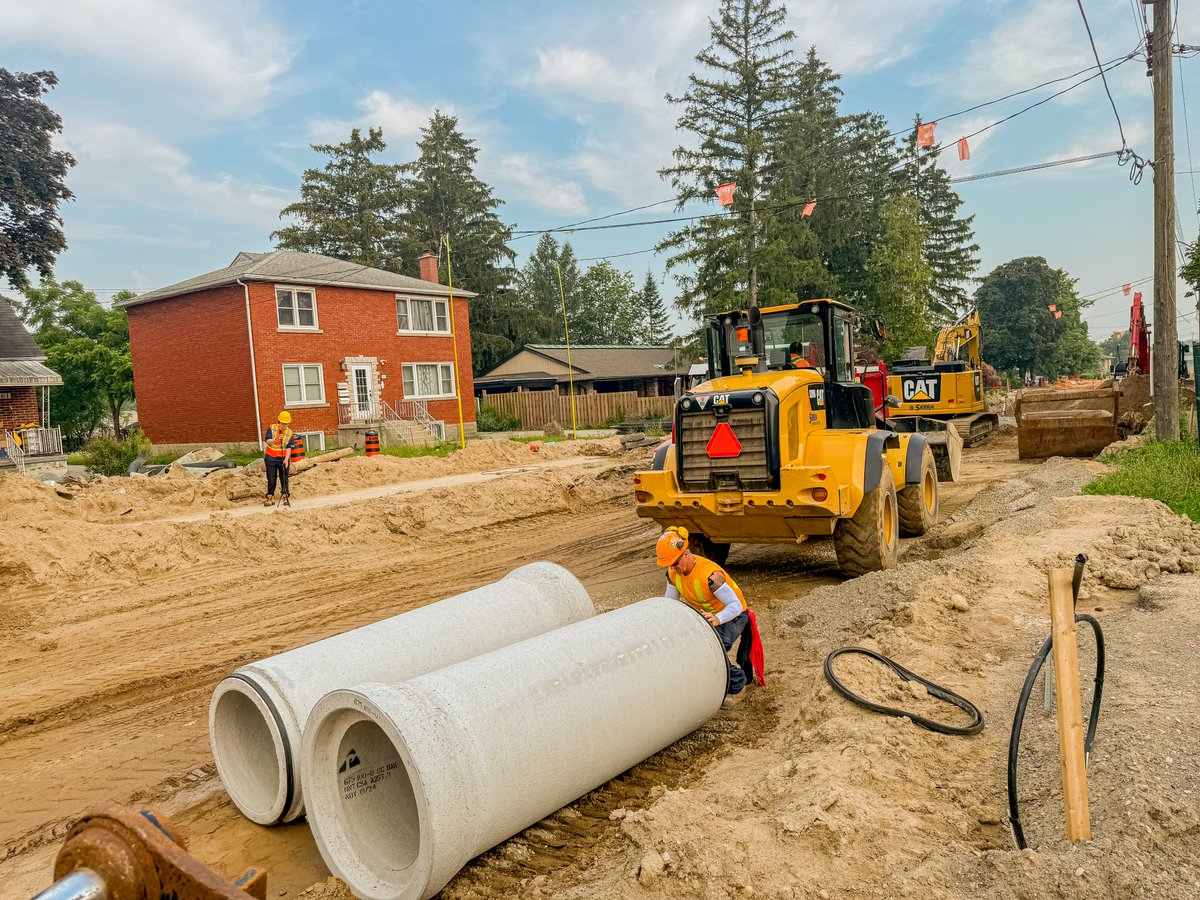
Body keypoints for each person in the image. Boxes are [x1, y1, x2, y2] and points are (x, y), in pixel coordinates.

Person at [656, 526, 765, 709]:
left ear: (687, 554)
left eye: (675, 563)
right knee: (694, 647)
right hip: (709, 617)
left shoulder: (710, 576)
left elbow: (735, 606)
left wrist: (717, 619)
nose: (673, 568)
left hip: (734, 616)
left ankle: (737, 684)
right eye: (670, 565)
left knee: (714, 648)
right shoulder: (673, 573)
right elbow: (670, 602)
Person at [263, 411, 296, 506]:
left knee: (284, 478)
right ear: (279, 422)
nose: (284, 426)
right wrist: (276, 440)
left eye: (286, 424)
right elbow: (267, 441)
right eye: (283, 424)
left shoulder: (289, 433)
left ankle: (285, 496)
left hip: (282, 459)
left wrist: (286, 459)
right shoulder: (272, 428)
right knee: (271, 478)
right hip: (271, 458)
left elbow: (289, 448)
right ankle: (270, 497)